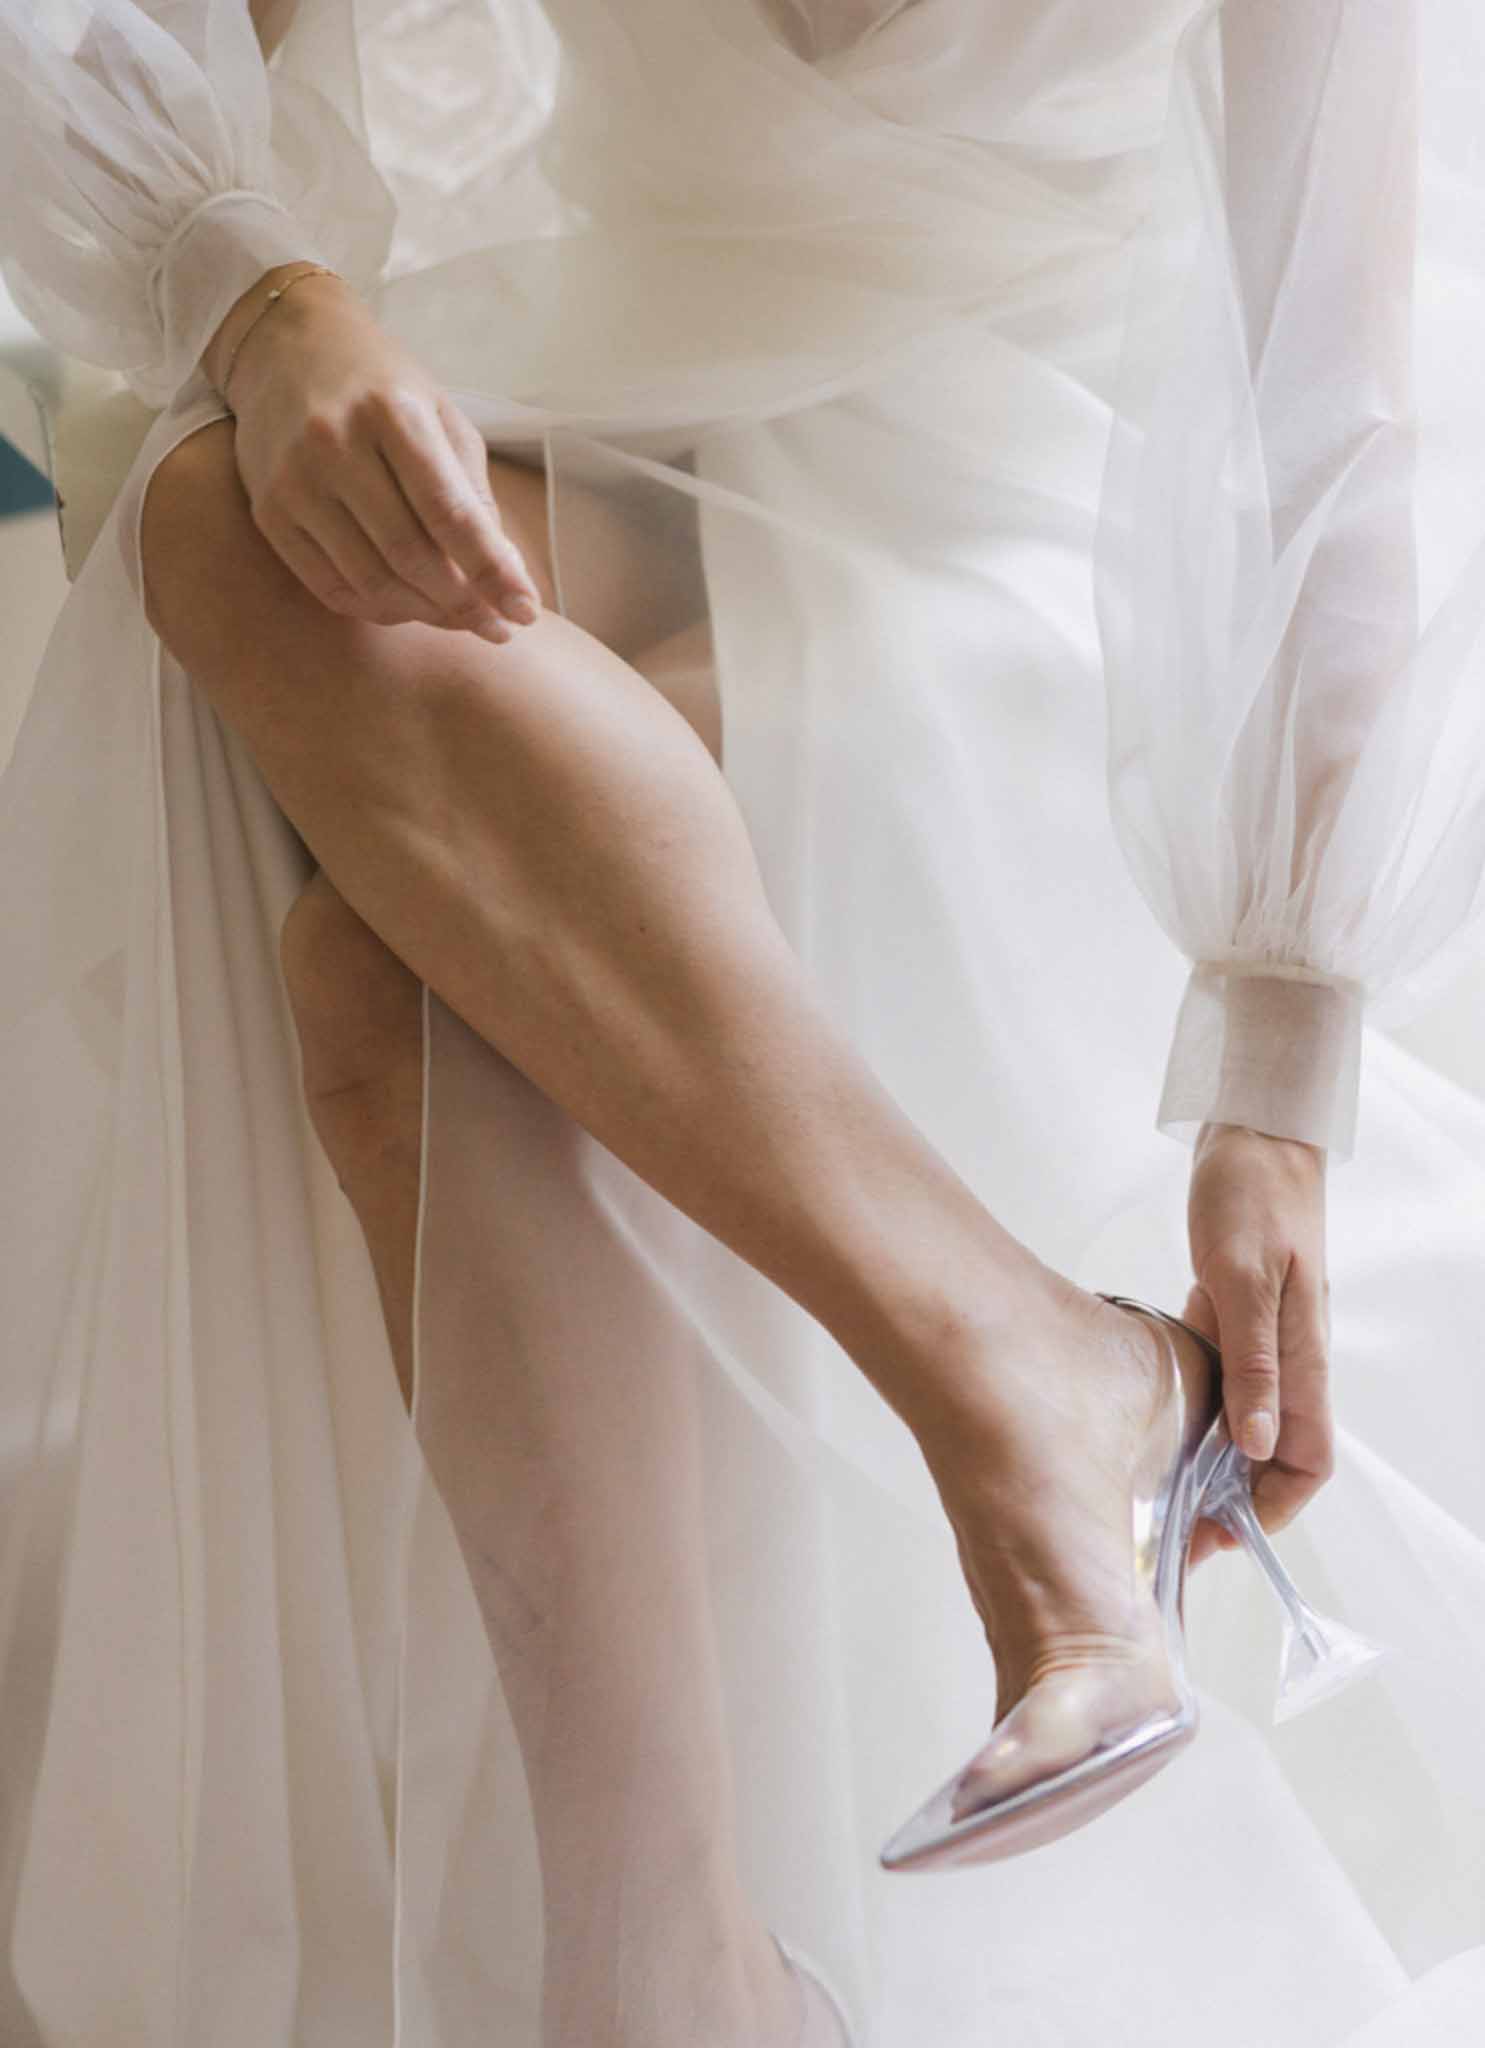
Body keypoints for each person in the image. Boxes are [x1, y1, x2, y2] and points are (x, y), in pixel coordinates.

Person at [0, 1, 1483, 2043]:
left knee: (389, 958)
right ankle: (1026, 1366)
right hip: (625, 377)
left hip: (1024, 485)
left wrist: (1278, 1028)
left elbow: (1331, 390)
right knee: (212, 524)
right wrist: (258, 302)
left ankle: (660, 1963)